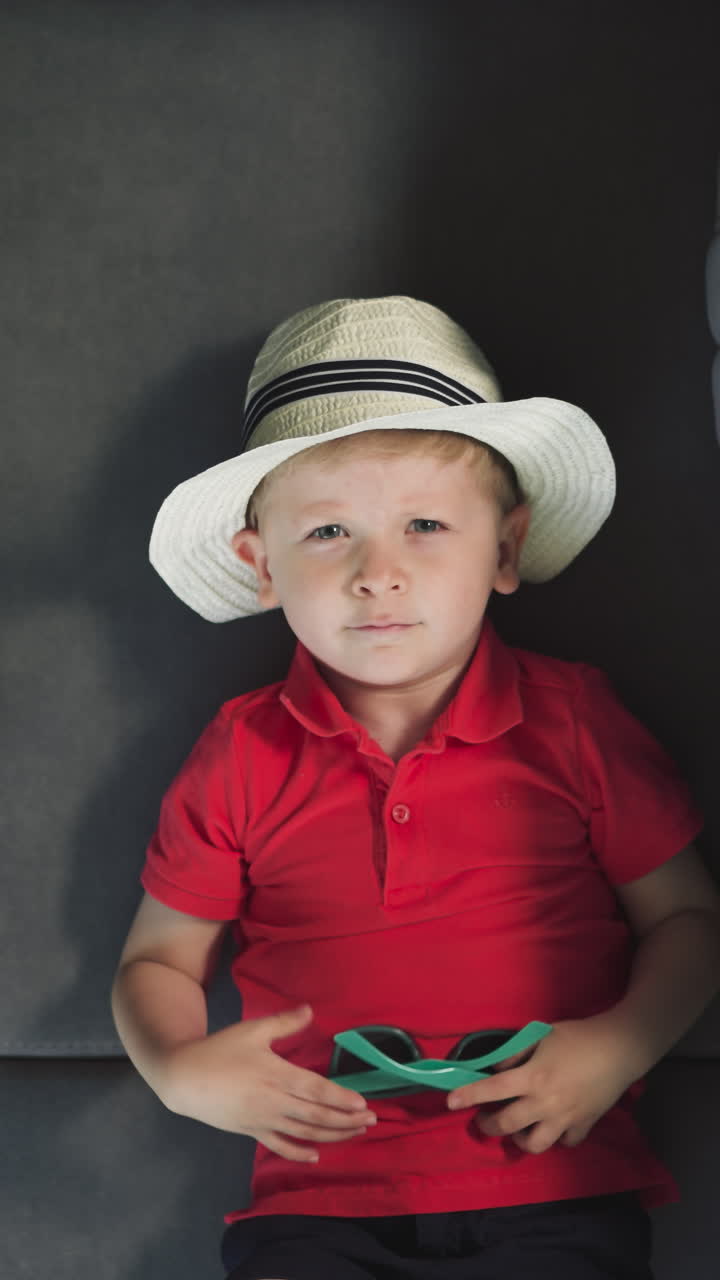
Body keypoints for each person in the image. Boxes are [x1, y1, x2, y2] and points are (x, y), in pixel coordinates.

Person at [111, 296, 720, 1280]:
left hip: (556, 1187)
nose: (376, 573)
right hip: (315, 1203)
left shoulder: (574, 720)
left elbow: (690, 915)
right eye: (328, 532)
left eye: (426, 524)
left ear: (507, 548)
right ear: (260, 565)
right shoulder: (239, 751)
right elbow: (156, 963)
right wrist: (181, 1069)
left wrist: (617, 1047)